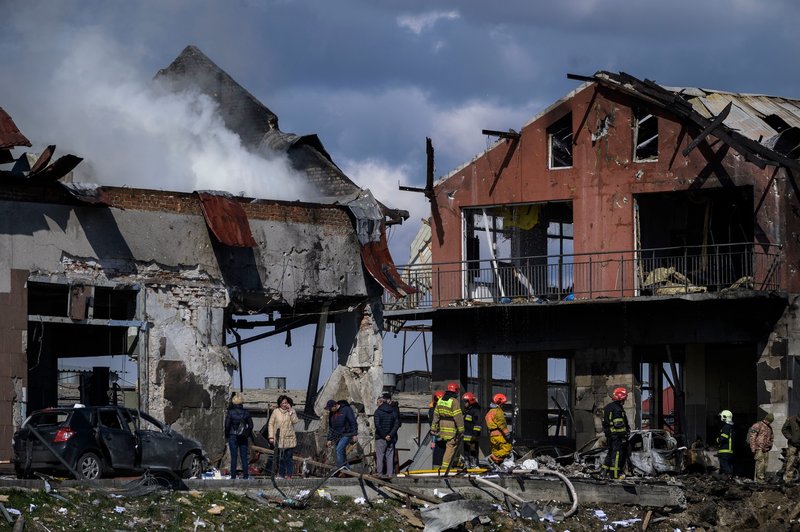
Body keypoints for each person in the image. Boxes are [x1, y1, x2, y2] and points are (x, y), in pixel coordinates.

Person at [431, 382, 464, 471]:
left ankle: (450, 465)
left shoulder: (440, 400)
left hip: (442, 427)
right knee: (451, 446)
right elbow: (458, 417)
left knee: (444, 446)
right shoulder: (454, 401)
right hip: (451, 427)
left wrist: (433, 428)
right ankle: (445, 469)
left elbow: (436, 415)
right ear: (455, 392)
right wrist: (461, 430)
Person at [601, 387, 630, 480]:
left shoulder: (608, 407)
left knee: (610, 453)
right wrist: (624, 436)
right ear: (622, 397)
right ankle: (615, 474)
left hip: (610, 436)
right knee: (617, 455)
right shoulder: (617, 409)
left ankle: (604, 472)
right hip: (616, 436)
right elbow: (619, 425)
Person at [267, 394, 299, 479]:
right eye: (282, 403)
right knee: (280, 458)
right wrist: (271, 436)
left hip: (289, 438)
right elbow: (271, 424)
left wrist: (291, 411)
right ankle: (281, 474)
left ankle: (289, 475)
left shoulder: (292, 411)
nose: (284, 404)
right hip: (279, 438)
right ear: (279, 404)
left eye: (286, 403)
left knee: (289, 458)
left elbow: (295, 421)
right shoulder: (276, 412)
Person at [224, 393, 253, 479]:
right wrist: (246, 434)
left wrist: (227, 435)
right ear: (241, 402)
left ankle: (233, 476)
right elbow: (251, 425)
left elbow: (227, 426)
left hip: (233, 436)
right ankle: (245, 476)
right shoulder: (246, 413)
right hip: (243, 437)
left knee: (234, 457)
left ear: (233, 402)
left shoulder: (230, 412)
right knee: (244, 457)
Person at [326, 399, 358, 470]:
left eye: (330, 408)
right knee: (342, 453)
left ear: (335, 405)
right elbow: (331, 427)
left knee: (339, 450)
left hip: (347, 433)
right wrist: (329, 439)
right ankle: (347, 469)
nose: (329, 410)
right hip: (337, 435)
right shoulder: (332, 413)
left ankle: (340, 469)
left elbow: (352, 422)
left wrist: (355, 434)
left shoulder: (346, 409)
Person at [374, 392, 401, 477]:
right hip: (391, 438)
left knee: (380, 456)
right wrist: (390, 435)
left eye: (377, 402)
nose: (376, 404)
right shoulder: (393, 411)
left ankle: (380, 473)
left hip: (381, 438)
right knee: (390, 456)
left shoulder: (378, 411)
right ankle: (390, 474)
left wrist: (384, 435)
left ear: (381, 402)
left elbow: (377, 425)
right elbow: (397, 424)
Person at [485, 393, 512, 466]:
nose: (503, 405)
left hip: (492, 436)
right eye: (502, 404)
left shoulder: (490, 412)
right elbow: (502, 424)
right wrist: (507, 434)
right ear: (499, 402)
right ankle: (492, 457)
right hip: (499, 435)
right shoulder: (498, 411)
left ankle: (497, 465)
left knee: (496, 450)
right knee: (507, 449)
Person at [749, 412, 774, 484]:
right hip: (759, 448)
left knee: (765, 464)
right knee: (760, 463)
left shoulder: (769, 427)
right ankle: (760, 479)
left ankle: (762, 478)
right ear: (766, 419)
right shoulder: (758, 425)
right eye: (768, 420)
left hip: (766, 449)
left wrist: (770, 445)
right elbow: (752, 437)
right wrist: (753, 448)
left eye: (770, 421)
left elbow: (771, 437)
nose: (768, 422)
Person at [461, 392, 482, 468]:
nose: (464, 404)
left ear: (470, 402)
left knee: (473, 450)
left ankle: (474, 464)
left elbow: (478, 424)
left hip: (473, 436)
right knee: (466, 451)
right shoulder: (468, 410)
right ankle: (467, 463)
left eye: (466, 402)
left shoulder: (475, 410)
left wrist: (475, 435)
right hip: (467, 435)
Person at [428, 390, 446, 468]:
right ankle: (437, 468)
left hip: (437, 434)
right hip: (437, 434)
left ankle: (437, 468)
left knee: (438, 451)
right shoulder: (434, 410)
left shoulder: (433, 409)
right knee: (438, 451)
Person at [783, 413, 800, 484]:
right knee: (791, 462)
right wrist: (790, 438)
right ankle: (788, 481)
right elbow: (784, 429)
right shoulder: (791, 419)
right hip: (792, 445)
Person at [717, 409, 735, 476]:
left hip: (725, 450)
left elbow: (723, 438)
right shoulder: (731, 427)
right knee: (728, 465)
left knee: (724, 464)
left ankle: (729, 476)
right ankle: (727, 478)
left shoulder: (726, 427)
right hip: (729, 451)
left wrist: (717, 440)